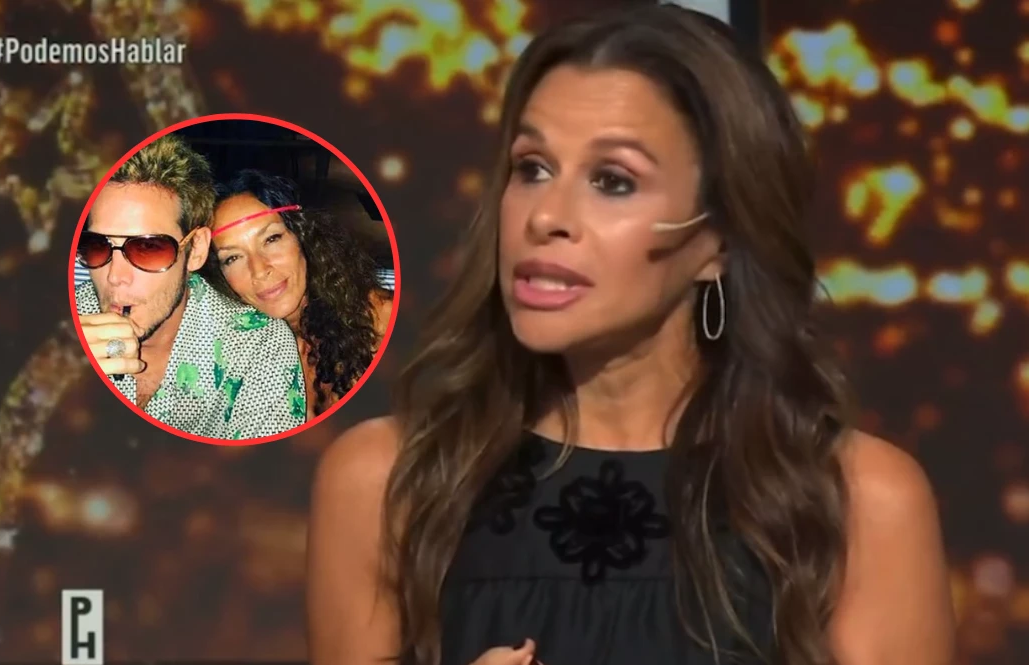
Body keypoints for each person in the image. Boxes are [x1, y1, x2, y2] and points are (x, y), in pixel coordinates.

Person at [305, 5, 955, 665]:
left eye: (613, 181)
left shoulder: (858, 504)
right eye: (532, 168)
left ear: (721, 240)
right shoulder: (385, 483)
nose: (546, 217)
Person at [74, 134, 307, 440]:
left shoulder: (257, 349)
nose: (115, 277)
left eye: (148, 247)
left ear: (195, 250)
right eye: (97, 246)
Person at [202, 170, 393, 418]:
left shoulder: (384, 320)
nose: (259, 270)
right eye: (232, 258)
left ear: (303, 236)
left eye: (271, 239)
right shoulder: (250, 353)